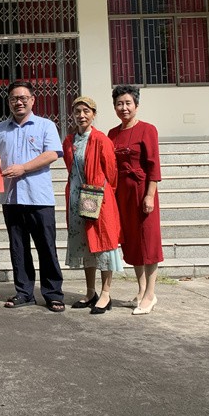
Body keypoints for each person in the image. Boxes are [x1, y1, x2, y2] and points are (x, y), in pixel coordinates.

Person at [0, 81, 66, 312]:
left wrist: (23, 168)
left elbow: (52, 154)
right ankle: (24, 292)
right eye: (14, 98)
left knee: (46, 247)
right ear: (9, 102)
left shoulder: (45, 125)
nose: (18, 102)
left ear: (32, 100)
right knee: (18, 248)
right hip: (11, 198)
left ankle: (53, 294)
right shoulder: (0, 129)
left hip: (38, 197)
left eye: (23, 98)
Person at [62, 96, 123, 315]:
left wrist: (102, 194)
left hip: (98, 197)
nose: (81, 115)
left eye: (86, 111)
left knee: (103, 245)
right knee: (85, 245)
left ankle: (106, 293)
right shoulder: (69, 141)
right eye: (77, 111)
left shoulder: (101, 140)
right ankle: (90, 292)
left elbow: (112, 173)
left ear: (94, 114)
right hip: (76, 198)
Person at [109, 84, 163, 315]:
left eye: (128, 103)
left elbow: (153, 165)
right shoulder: (112, 133)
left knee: (148, 242)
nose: (124, 108)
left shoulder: (148, 130)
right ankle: (141, 290)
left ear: (136, 105)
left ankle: (151, 294)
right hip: (122, 195)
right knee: (131, 241)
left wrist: (150, 195)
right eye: (119, 104)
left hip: (142, 192)